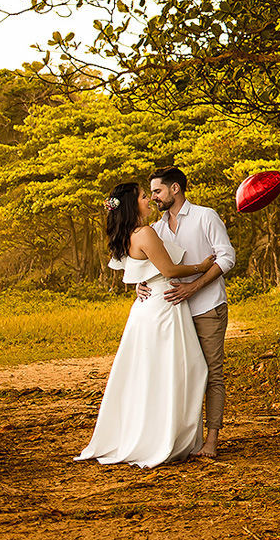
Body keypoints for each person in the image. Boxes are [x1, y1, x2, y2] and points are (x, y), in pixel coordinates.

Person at [77, 182, 215, 468]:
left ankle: (162, 432)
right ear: (132, 204)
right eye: (143, 196)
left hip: (147, 306)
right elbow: (169, 270)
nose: (148, 199)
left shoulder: (127, 234)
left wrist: (141, 282)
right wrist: (202, 267)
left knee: (154, 373)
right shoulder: (145, 232)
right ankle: (166, 436)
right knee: (180, 370)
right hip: (163, 306)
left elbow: (139, 268)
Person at [142, 165, 237, 460]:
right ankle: (185, 438)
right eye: (152, 193)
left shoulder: (204, 216)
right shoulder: (156, 229)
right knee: (183, 375)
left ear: (175, 189)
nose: (154, 197)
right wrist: (140, 286)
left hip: (207, 307)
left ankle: (211, 440)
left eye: (157, 191)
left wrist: (194, 286)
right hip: (174, 316)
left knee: (211, 374)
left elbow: (228, 257)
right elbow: (151, 267)